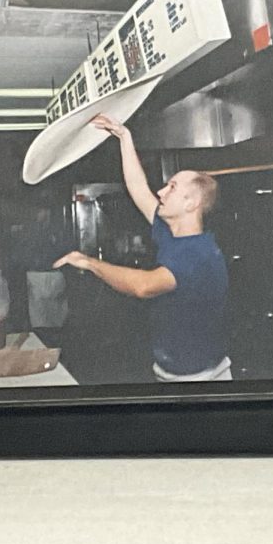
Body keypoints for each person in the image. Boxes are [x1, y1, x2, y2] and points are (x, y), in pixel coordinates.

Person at [53, 114, 231, 382]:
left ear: (191, 203)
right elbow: (138, 188)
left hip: (202, 379)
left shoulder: (198, 253)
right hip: (170, 373)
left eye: (172, 187)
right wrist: (124, 137)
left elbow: (143, 286)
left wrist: (89, 262)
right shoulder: (171, 233)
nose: (161, 192)